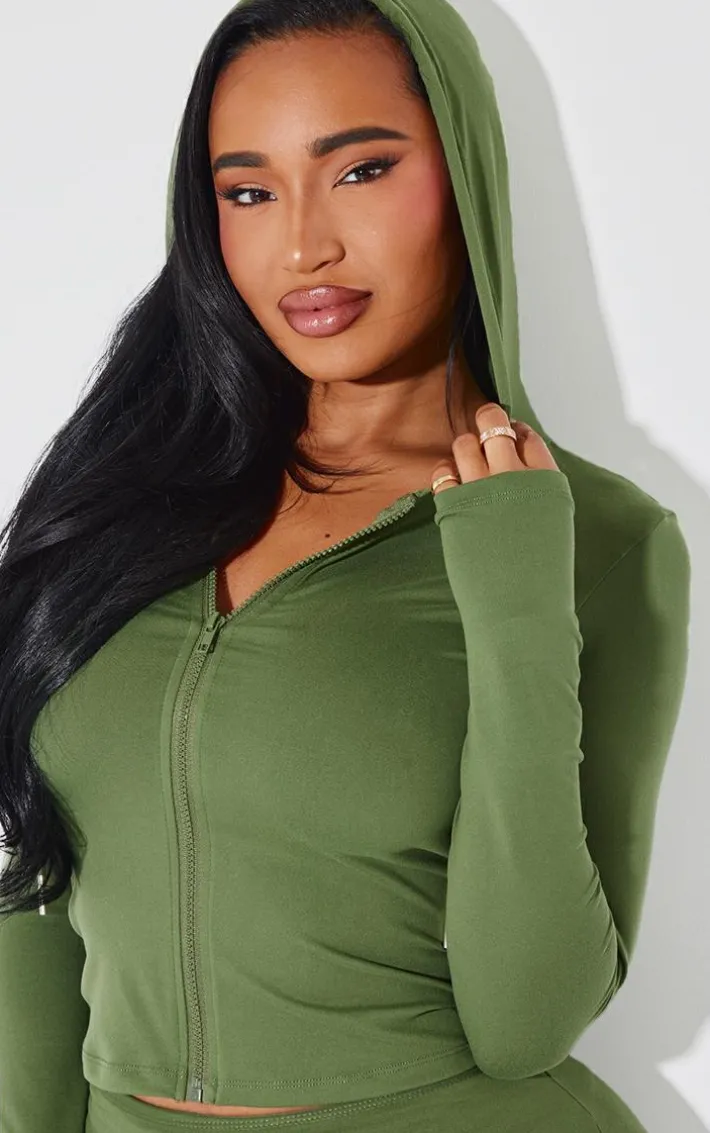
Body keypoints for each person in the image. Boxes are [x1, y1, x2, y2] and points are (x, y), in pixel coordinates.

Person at [0, 0, 691, 1130]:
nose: (302, 245)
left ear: (462, 174)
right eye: (248, 192)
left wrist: (515, 594)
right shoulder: (119, 506)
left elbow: (527, 1017)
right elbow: (33, 884)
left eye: (361, 170)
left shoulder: (593, 538)